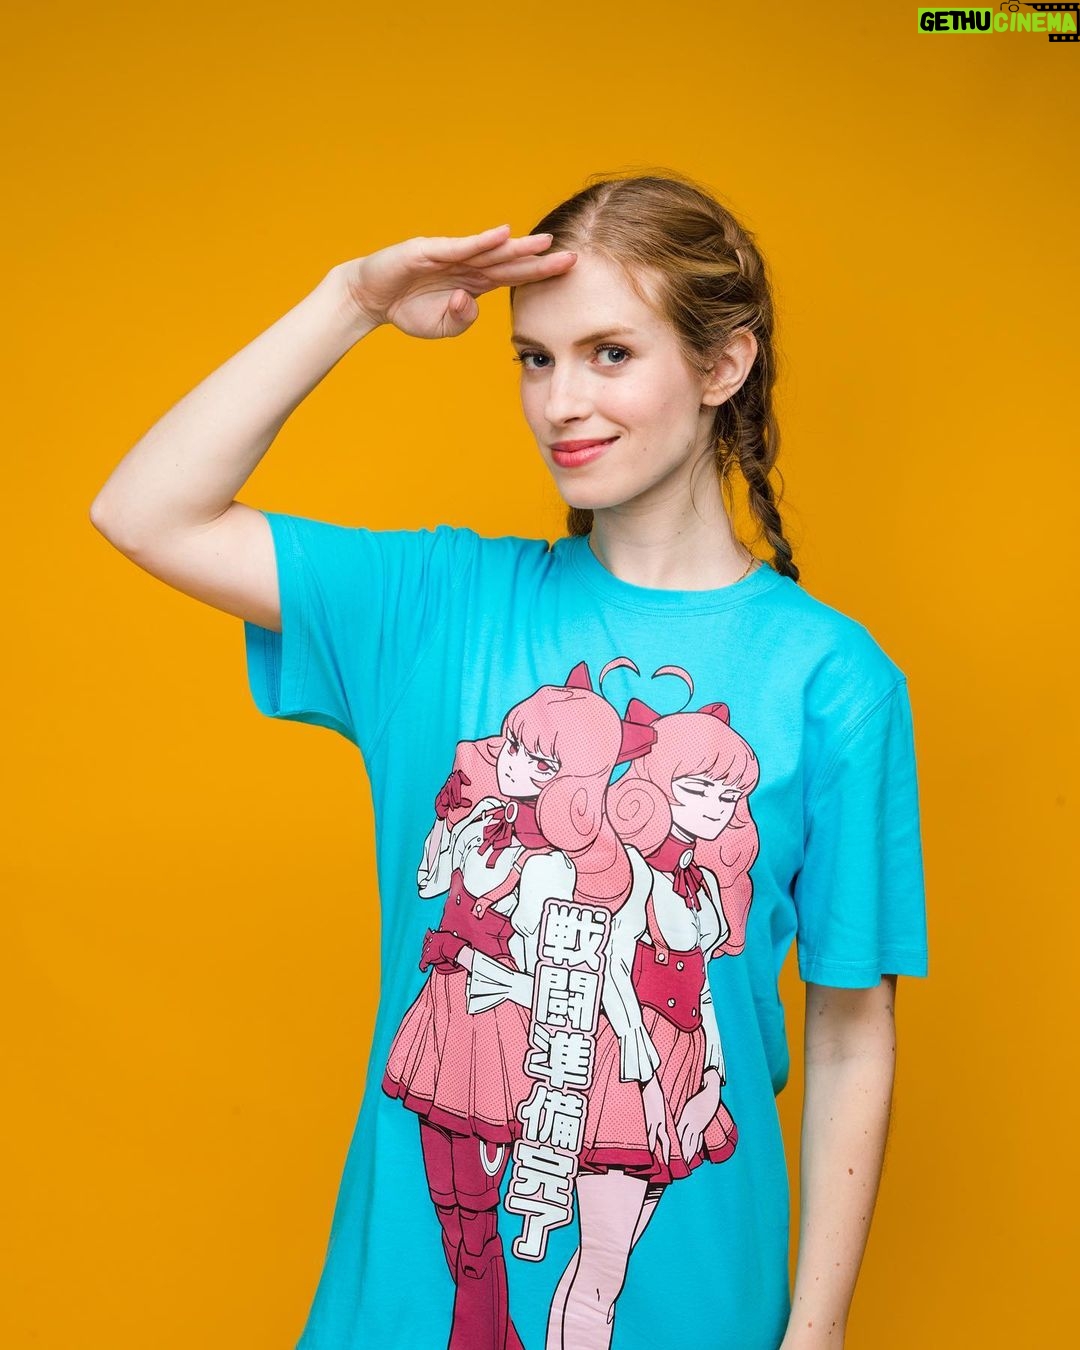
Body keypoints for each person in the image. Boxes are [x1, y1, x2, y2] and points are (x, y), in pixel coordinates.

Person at [89, 169, 929, 1350]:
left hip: (701, 1302)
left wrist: (818, 1332)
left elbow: (851, 1025)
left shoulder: (832, 680)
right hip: (402, 1310)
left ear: (723, 366)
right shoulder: (439, 606)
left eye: (609, 354)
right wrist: (351, 299)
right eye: (535, 359)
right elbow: (144, 511)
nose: (560, 403)